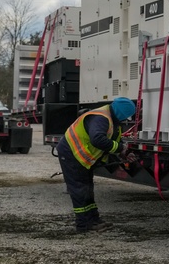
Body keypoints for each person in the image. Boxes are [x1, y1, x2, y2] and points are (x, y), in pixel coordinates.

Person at [56, 97, 135, 233]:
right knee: (79, 190)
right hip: (72, 154)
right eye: (126, 116)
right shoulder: (101, 118)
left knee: (87, 188)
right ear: (122, 113)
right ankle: (83, 225)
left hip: (80, 156)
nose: (126, 120)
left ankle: (93, 220)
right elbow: (97, 139)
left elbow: (112, 140)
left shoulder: (111, 119)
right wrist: (120, 148)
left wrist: (122, 153)